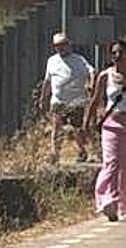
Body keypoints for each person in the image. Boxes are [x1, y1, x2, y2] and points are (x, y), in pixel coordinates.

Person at [85, 38, 126, 222]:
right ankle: (106, 200)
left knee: (125, 167)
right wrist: (87, 123)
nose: (117, 56)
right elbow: (94, 101)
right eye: (114, 53)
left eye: (121, 52)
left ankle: (123, 205)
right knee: (111, 163)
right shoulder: (105, 76)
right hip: (111, 125)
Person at [40, 32, 93, 163]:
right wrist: (43, 98)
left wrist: (91, 83)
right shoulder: (52, 61)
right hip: (58, 101)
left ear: (69, 45)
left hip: (76, 101)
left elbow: (91, 70)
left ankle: (82, 151)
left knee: (77, 128)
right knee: (56, 127)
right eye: (57, 45)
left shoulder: (79, 59)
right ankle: (55, 154)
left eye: (63, 44)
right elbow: (47, 81)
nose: (61, 47)